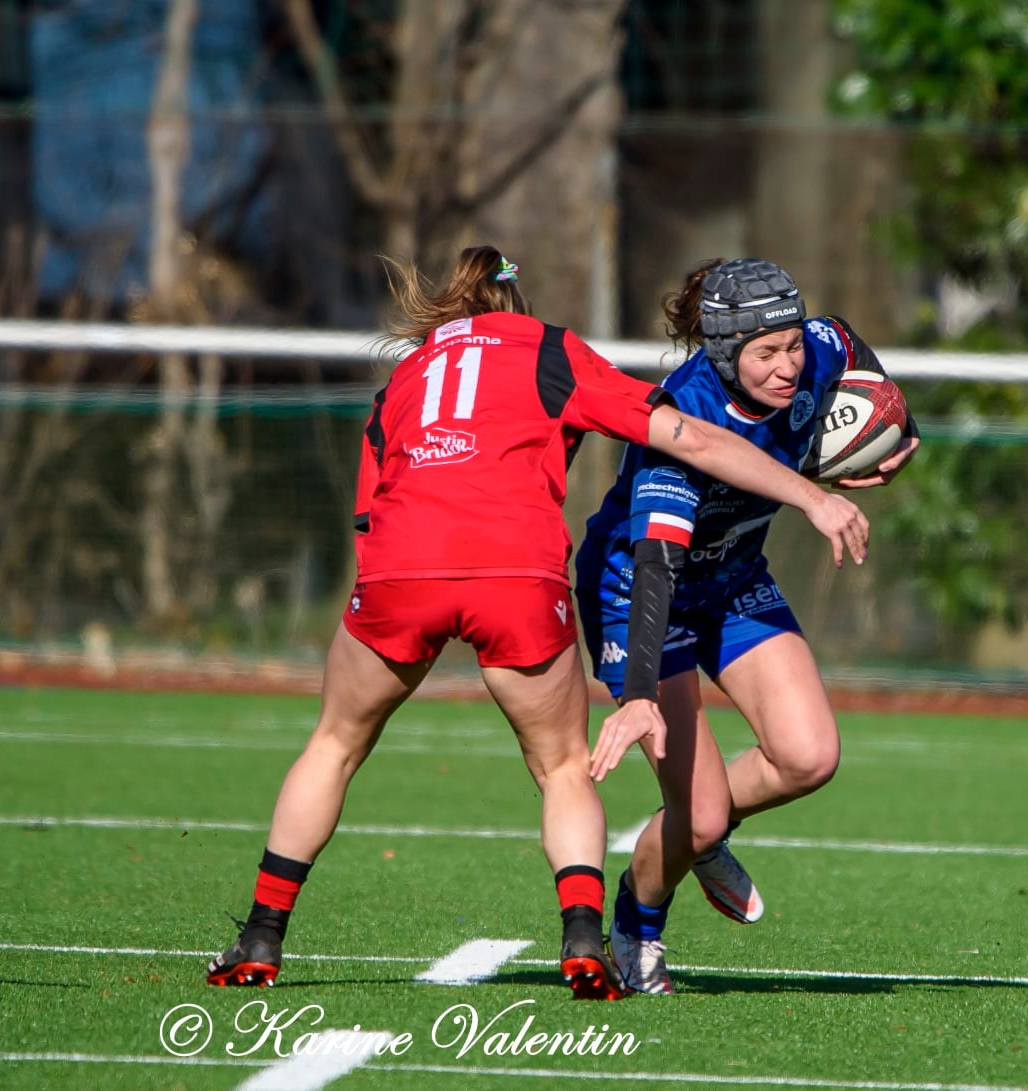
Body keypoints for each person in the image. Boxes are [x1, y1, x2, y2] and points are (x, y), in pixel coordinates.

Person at [205, 246, 867, 999]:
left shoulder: (407, 376)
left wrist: (393, 592)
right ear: (515, 305)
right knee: (560, 767)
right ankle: (585, 939)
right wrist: (815, 497)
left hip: (400, 565)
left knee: (333, 743)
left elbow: (366, 510)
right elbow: (686, 437)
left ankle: (260, 936)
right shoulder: (550, 348)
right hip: (517, 569)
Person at [577, 257, 919, 995]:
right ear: (725, 352)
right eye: (766, 354)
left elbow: (848, 341)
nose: (789, 365)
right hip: (640, 592)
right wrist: (637, 693)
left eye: (792, 345)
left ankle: (700, 832)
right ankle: (639, 919)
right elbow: (658, 570)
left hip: (732, 579)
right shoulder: (684, 415)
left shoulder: (814, 353)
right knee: (693, 817)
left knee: (808, 755)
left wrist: (899, 427)